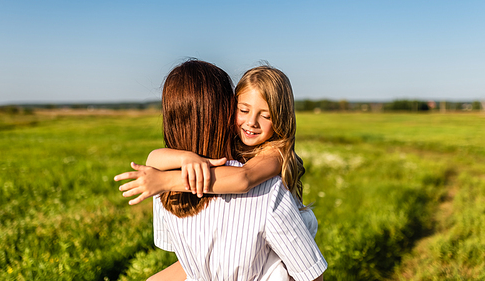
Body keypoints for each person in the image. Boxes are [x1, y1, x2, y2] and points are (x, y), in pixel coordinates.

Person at [115, 60, 326, 280]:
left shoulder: (275, 154)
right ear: (229, 108)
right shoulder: (231, 152)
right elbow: (154, 159)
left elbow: (243, 179)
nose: (251, 122)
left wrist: (166, 181)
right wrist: (186, 158)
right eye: (243, 110)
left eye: (266, 116)